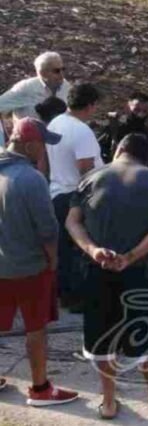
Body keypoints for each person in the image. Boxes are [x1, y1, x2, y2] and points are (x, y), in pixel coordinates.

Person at [66, 133, 148, 421]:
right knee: (146, 339)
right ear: (145, 156)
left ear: (119, 149)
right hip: (137, 273)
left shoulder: (90, 177)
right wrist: (130, 256)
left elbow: (72, 221)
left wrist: (94, 250)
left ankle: (109, 403)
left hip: (95, 270)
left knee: (101, 338)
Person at [0, 118, 79, 407]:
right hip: (30, 267)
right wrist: (54, 259)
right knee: (36, 328)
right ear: (30, 145)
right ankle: (40, 388)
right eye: (43, 144)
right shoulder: (31, 179)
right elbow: (47, 229)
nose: (44, 150)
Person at [47, 83, 104, 312]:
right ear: (90, 105)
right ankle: (76, 298)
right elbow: (86, 168)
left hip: (57, 190)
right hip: (75, 194)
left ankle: (63, 294)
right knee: (80, 248)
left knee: (63, 248)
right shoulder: (81, 131)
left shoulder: (55, 123)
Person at [96, 92, 148, 175]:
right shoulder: (115, 128)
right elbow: (97, 152)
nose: (140, 114)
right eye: (137, 110)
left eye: (144, 111)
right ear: (127, 108)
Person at [0, 52, 71, 125]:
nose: (62, 74)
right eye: (56, 71)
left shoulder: (66, 86)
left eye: (63, 69)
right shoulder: (26, 88)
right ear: (42, 73)